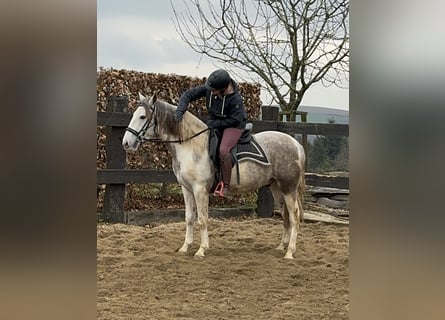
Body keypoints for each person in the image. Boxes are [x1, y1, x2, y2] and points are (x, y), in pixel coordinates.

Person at [175, 69, 247, 197]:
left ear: (223, 88)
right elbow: (188, 95)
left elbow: (236, 119)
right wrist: (180, 110)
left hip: (234, 126)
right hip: (215, 124)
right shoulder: (211, 88)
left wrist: (215, 124)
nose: (211, 92)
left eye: (214, 90)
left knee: (223, 150)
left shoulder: (235, 99)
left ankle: (226, 186)